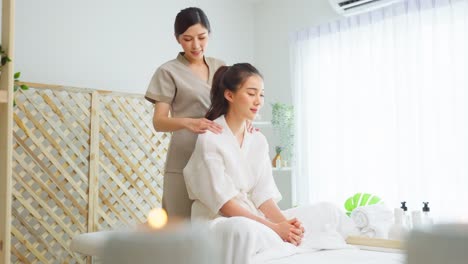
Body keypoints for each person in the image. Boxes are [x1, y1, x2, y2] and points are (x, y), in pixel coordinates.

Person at [183, 63, 358, 264]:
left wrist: (285, 225)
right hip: (220, 222)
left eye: (262, 94)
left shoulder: (257, 140)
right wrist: (275, 228)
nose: (258, 101)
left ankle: (283, 239)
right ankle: (276, 239)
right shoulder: (210, 139)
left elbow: (263, 195)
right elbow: (225, 205)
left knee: (327, 211)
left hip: (256, 219)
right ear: (229, 95)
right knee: (243, 230)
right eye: (251, 93)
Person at [145, 7, 224, 219]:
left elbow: (233, 108)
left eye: (202, 37)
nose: (196, 45)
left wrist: (245, 125)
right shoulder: (168, 72)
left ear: (209, 34)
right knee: (178, 230)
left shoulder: (222, 68)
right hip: (183, 160)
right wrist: (190, 123)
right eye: (187, 39)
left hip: (216, 159)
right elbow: (159, 122)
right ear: (177, 39)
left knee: (214, 230)